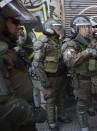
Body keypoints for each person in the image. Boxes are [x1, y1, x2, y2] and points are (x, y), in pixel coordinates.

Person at [61, 15, 97, 131]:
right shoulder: (71, 44)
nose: (87, 29)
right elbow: (70, 61)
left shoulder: (91, 41)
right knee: (82, 105)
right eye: (83, 27)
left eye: (87, 27)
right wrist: (86, 52)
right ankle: (84, 127)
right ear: (76, 29)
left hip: (95, 77)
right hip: (81, 80)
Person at [0, 0, 47, 131]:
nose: (18, 25)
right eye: (13, 21)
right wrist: (29, 113)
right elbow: (3, 103)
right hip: (13, 123)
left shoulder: (8, 48)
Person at [32, 18, 72, 131]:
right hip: (49, 77)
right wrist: (44, 81)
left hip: (61, 75)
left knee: (61, 97)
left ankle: (61, 116)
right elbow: (37, 63)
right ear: (49, 28)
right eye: (56, 28)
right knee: (50, 100)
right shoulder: (42, 43)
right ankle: (51, 123)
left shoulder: (60, 40)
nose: (58, 30)